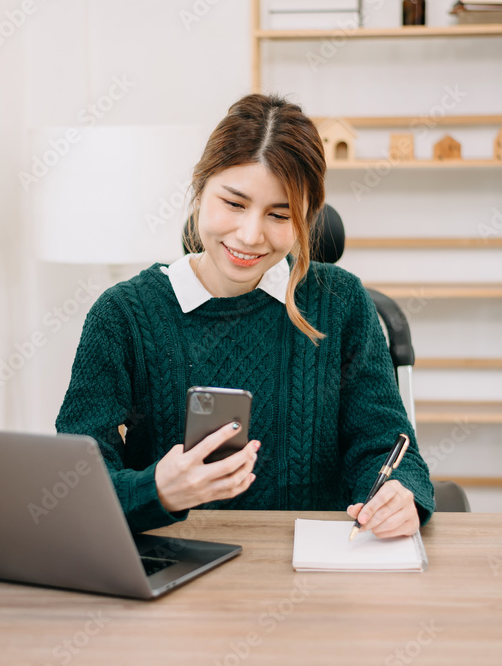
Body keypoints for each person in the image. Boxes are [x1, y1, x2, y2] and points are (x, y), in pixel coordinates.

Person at [55, 93, 433, 538]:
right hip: (173, 575)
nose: (250, 235)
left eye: (280, 214)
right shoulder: (123, 316)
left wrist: (399, 493)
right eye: (234, 204)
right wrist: (157, 489)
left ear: (306, 218)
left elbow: (387, 445)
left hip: (313, 575)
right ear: (199, 191)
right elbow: (73, 486)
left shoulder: (341, 301)